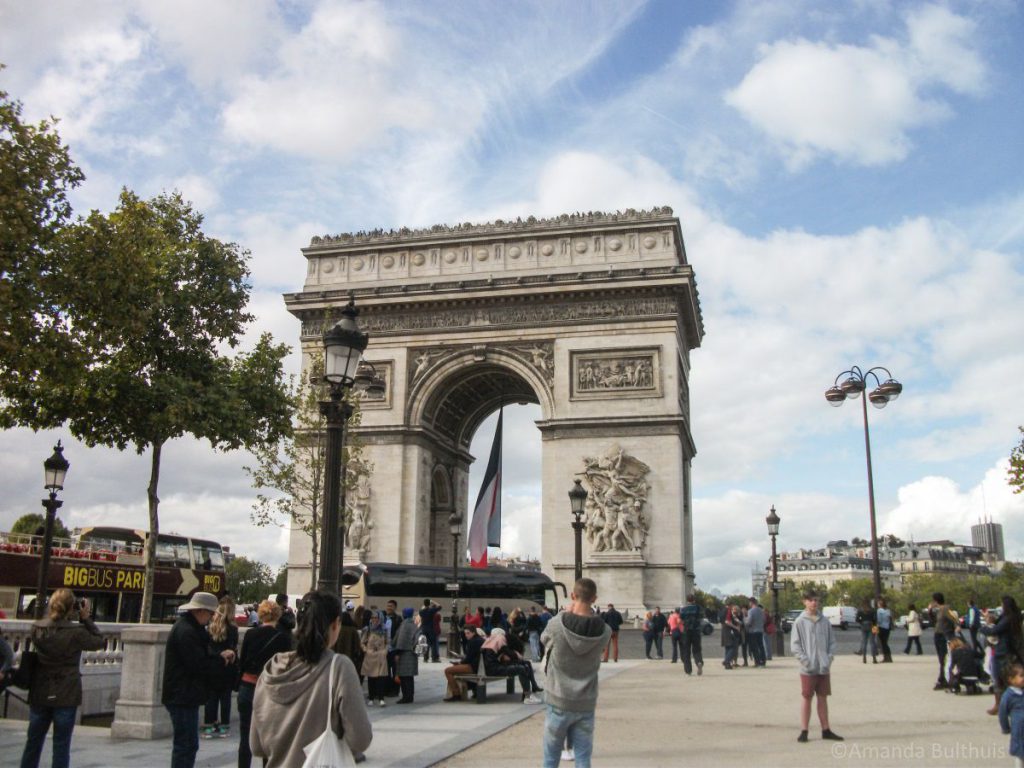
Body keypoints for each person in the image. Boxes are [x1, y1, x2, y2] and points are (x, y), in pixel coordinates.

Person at [251, 590, 371, 767]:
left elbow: (256, 746)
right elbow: (361, 739)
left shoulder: (272, 668)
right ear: (335, 624)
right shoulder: (338, 667)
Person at [19, 589, 104, 768]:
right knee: (61, 745)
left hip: (40, 689)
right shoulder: (77, 632)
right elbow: (99, 640)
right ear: (71, 608)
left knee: (33, 741)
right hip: (66, 691)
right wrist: (86, 618)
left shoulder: (37, 628)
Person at [540, 578, 611, 768]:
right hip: (585, 703)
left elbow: (544, 640)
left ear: (572, 595)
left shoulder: (556, 624)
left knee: (550, 759)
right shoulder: (605, 631)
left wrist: (564, 614)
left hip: (558, 699)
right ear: (594, 598)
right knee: (582, 759)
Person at [163, 591, 234, 768]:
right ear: (200, 611)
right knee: (185, 745)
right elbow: (198, 664)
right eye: (210, 613)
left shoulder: (190, 628)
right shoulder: (186, 632)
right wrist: (220, 660)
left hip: (184, 694)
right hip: (182, 695)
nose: (211, 618)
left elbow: (201, 656)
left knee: (188, 744)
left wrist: (218, 656)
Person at [236, 599, 292, 768]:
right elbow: (285, 669)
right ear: (277, 615)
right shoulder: (283, 638)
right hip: (269, 689)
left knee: (245, 736)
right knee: (269, 737)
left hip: (247, 686)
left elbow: (243, 660)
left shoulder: (250, 634)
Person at [791, 591, 842, 744]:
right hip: (808, 667)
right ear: (804, 602)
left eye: (816, 600)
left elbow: (832, 642)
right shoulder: (800, 622)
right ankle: (804, 730)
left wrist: (829, 658)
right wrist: (805, 661)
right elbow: (795, 645)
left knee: (823, 698)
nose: (814, 603)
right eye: (811, 600)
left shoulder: (825, 621)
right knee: (807, 697)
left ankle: (826, 729)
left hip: (823, 666)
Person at [201, 596, 239, 740]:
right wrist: (230, 653)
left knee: (211, 699)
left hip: (212, 665)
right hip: (227, 667)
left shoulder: (211, 627)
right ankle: (224, 727)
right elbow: (233, 647)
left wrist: (217, 653)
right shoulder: (233, 628)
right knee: (225, 699)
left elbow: (207, 648)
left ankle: (209, 727)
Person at [981, 596, 1024, 716]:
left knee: (999, 679)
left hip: (1003, 652)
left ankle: (1000, 705)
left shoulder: (1008, 618)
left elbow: (995, 630)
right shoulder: (1014, 617)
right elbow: (1000, 624)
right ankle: (1003, 705)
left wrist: (983, 628)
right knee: (1007, 679)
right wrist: (993, 620)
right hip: (1010, 652)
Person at [481, 626, 543, 702]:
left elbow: (504, 654)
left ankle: (528, 695)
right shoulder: (500, 639)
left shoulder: (490, 641)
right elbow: (509, 653)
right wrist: (516, 654)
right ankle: (528, 697)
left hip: (492, 667)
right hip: (494, 669)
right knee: (522, 669)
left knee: (524, 666)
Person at [443, 627, 485, 702]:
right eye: (465, 633)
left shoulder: (473, 641)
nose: (466, 635)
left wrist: (459, 663)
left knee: (448, 671)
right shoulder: (480, 640)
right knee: (454, 669)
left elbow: (468, 659)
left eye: (468, 633)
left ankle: (456, 694)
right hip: (478, 666)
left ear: (474, 632)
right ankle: (454, 692)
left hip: (473, 667)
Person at [361, 611, 390, 707]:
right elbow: (362, 642)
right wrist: (366, 650)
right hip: (370, 656)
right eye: (372, 618)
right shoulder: (368, 629)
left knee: (381, 678)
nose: (374, 620)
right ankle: (371, 698)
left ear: (380, 618)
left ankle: (381, 698)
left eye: (376, 618)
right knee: (371, 678)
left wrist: (385, 651)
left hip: (381, 655)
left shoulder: (384, 629)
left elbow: (388, 642)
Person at [929, 592, 957, 690]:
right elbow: (934, 622)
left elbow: (954, 618)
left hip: (943, 635)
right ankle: (942, 678)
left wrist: (956, 626)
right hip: (938, 634)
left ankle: (943, 678)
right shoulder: (939, 610)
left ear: (936, 601)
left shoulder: (945, 609)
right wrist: (930, 611)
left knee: (943, 658)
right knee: (941, 658)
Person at [999, 662, 1024, 766]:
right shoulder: (1008, 696)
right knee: (1020, 752)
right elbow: (1002, 713)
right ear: (1011, 679)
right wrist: (1006, 728)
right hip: (1018, 729)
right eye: (1021, 676)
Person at [393, 607, 420, 703]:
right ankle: (410, 695)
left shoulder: (405, 625)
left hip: (404, 653)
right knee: (409, 677)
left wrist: (397, 652)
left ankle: (406, 696)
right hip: (412, 652)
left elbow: (401, 639)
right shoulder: (413, 624)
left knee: (404, 676)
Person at [679, 595, 704, 676]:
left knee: (686, 651)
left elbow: (680, 620)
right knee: (697, 649)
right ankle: (699, 662)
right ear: (694, 600)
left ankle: (688, 670)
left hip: (686, 632)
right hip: (696, 631)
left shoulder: (683, 609)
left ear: (687, 600)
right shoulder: (698, 608)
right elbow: (701, 618)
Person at [745, 598, 766, 667]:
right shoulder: (761, 611)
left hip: (753, 631)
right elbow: (764, 620)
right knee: (761, 646)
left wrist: (745, 622)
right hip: (760, 630)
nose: (749, 604)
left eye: (749, 603)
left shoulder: (750, 611)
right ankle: (763, 660)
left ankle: (757, 662)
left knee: (754, 647)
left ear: (751, 602)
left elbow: (749, 621)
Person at [855, 599, 877, 664]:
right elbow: (875, 620)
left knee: (864, 642)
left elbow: (856, 619)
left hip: (863, 626)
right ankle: (874, 658)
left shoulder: (860, 610)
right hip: (871, 625)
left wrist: (861, 622)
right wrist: (875, 629)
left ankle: (864, 658)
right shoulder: (872, 610)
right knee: (872, 642)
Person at [721, 605, 741, 670]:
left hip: (725, 631)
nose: (736, 611)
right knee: (733, 648)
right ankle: (726, 661)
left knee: (728, 648)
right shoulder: (729, 613)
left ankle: (727, 664)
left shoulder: (729, 613)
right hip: (729, 632)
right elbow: (727, 622)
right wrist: (736, 627)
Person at [875, 597, 893, 663]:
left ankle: (886, 658)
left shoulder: (879, 611)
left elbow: (878, 620)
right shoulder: (888, 611)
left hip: (881, 627)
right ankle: (889, 657)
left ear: (880, 604)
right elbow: (890, 619)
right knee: (885, 643)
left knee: (883, 643)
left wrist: (875, 629)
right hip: (887, 628)